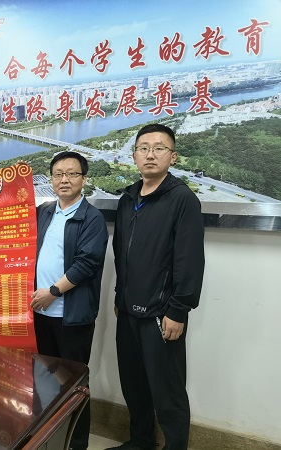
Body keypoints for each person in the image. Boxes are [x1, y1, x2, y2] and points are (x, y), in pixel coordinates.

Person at [108, 124, 204, 450]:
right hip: (128, 310)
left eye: (159, 148)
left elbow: (189, 260)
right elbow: (121, 254)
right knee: (134, 385)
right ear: (134, 155)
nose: (150, 154)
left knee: (168, 392)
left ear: (172, 156)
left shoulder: (182, 199)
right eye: (143, 148)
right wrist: (120, 295)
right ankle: (141, 442)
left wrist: (178, 310)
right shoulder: (128, 199)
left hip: (161, 315)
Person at [30, 151, 108, 450]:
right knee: (45, 380)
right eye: (58, 174)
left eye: (72, 174)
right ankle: (50, 438)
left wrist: (52, 292)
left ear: (83, 179)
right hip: (40, 314)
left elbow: (86, 264)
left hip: (71, 316)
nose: (64, 179)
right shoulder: (45, 211)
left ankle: (76, 444)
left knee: (74, 384)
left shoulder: (91, 218)